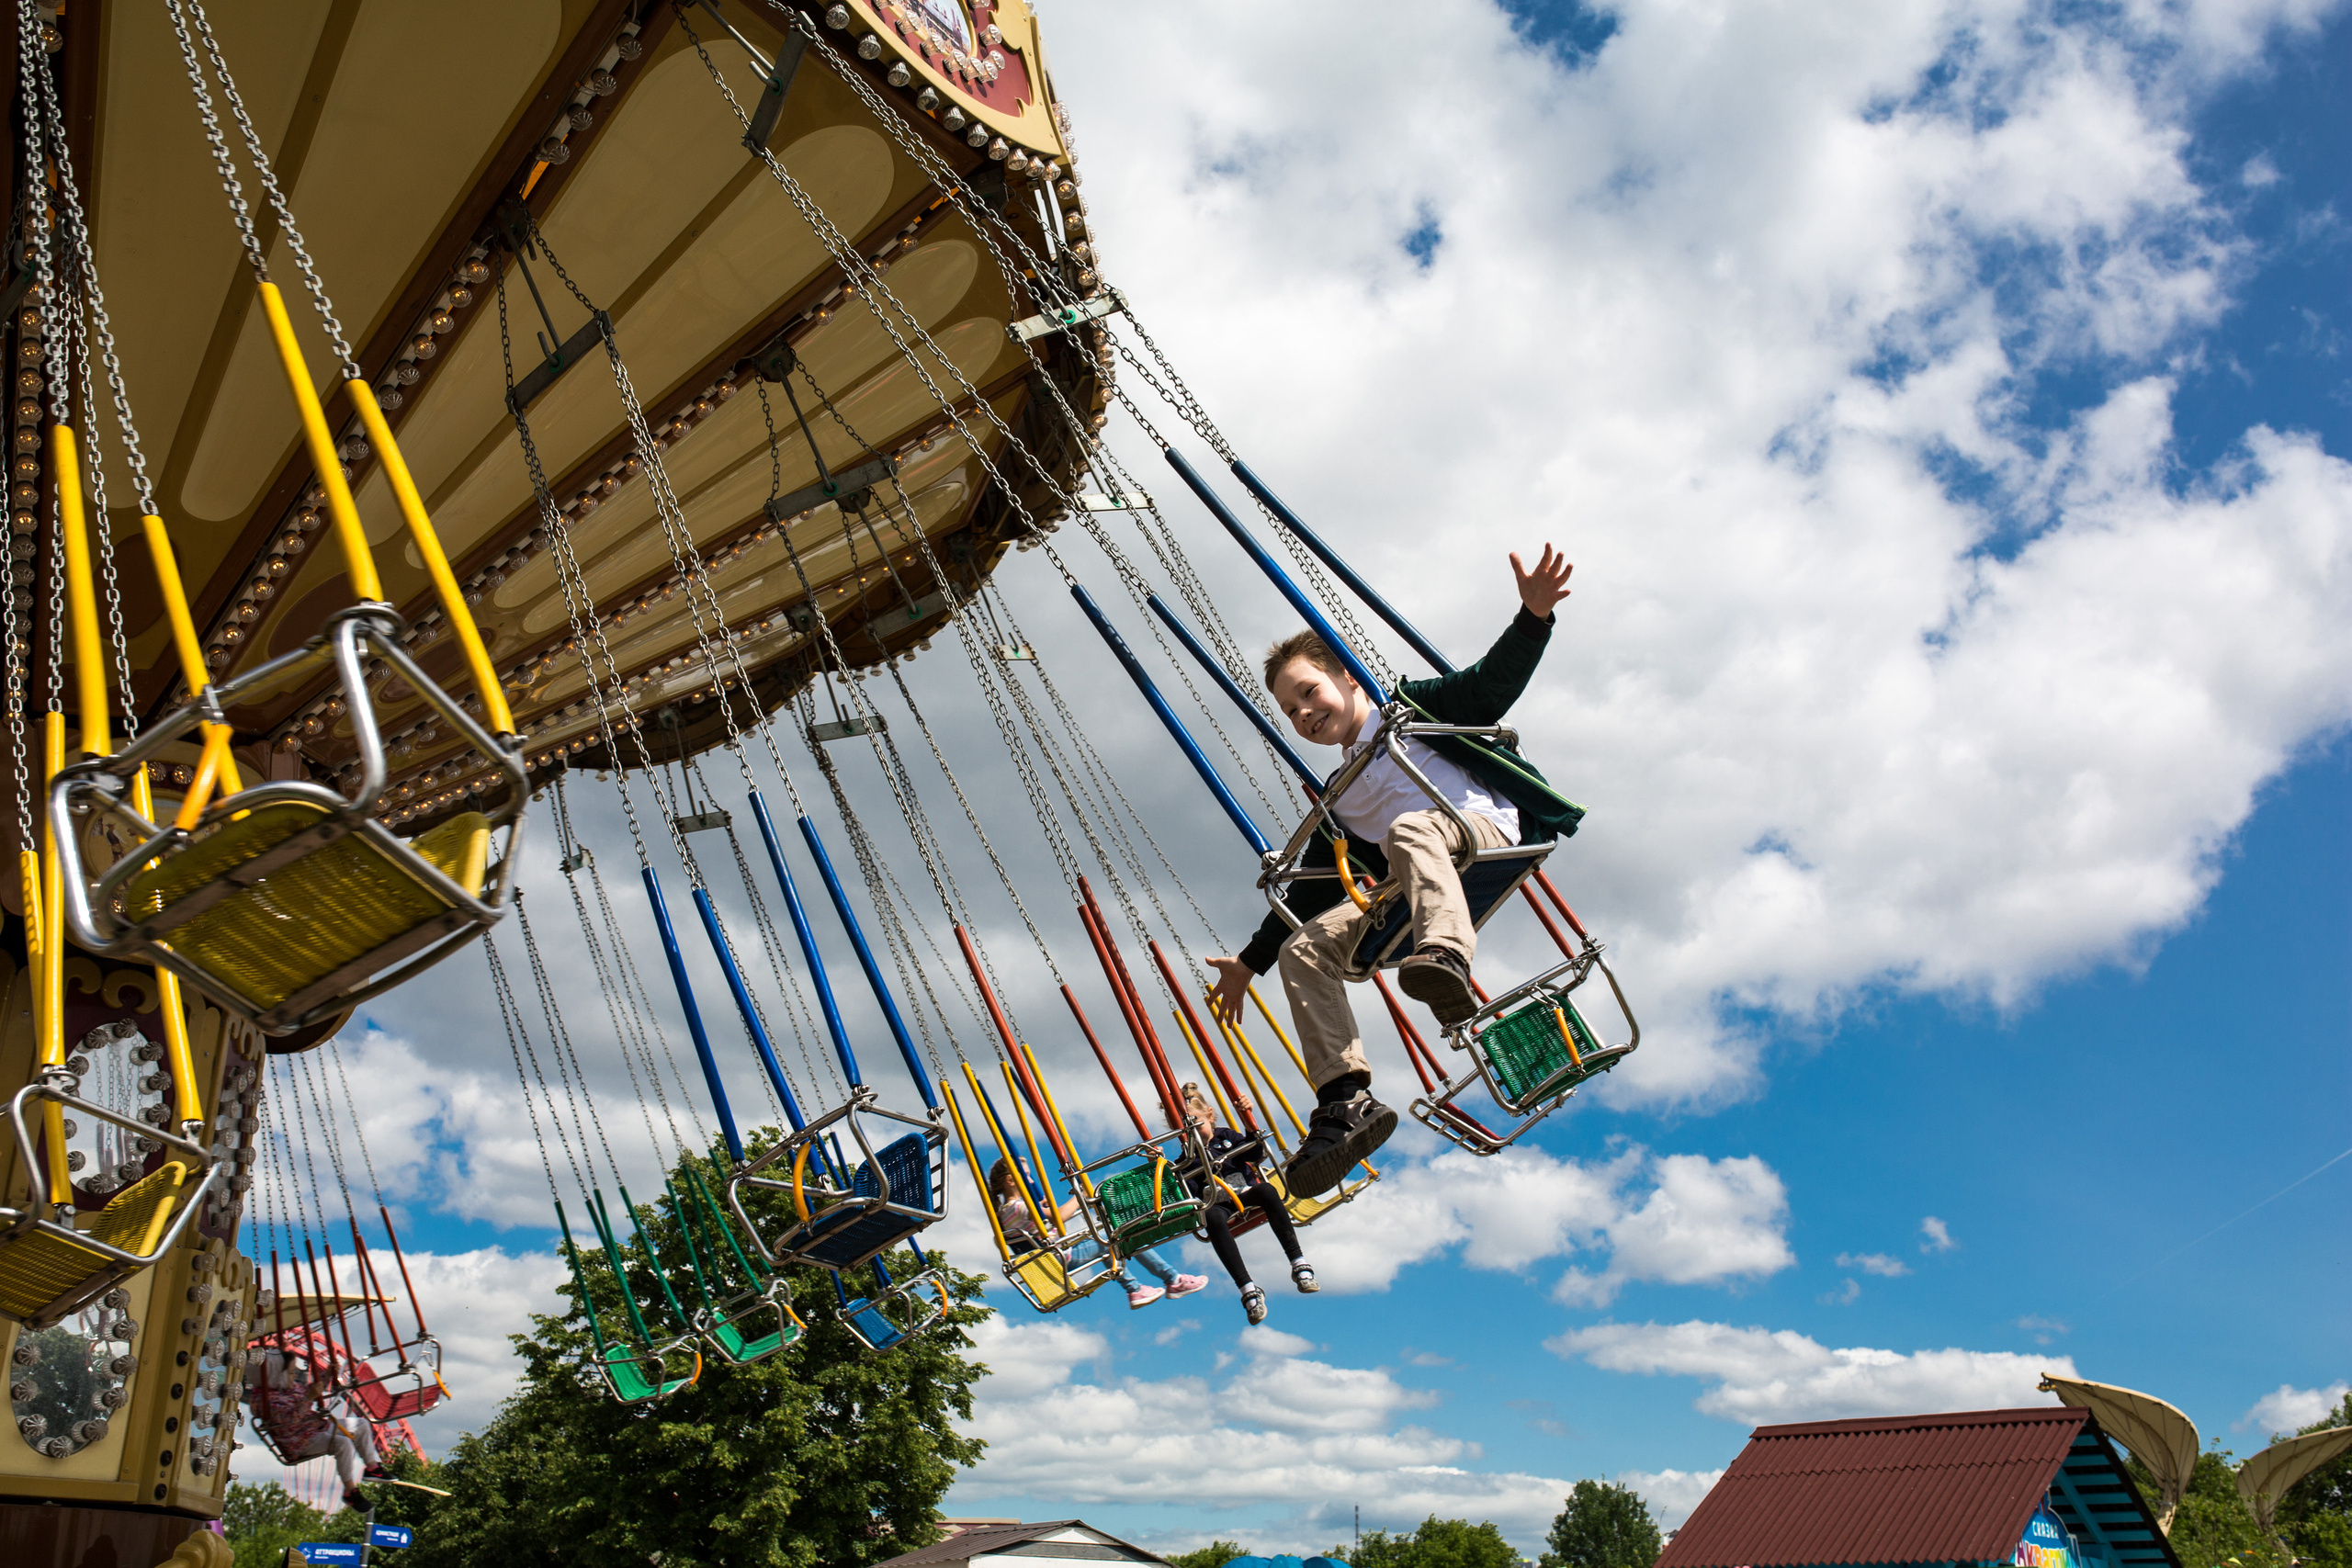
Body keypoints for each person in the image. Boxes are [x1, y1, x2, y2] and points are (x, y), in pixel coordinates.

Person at [1205, 546, 1581, 1199]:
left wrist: (1533, 617)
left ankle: (1446, 957)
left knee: (1410, 829)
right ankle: (1344, 1100)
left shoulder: (1409, 712)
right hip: (1411, 882)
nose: (1303, 713)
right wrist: (1248, 962)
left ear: (1349, 677)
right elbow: (1310, 889)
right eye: (1290, 711)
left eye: (1309, 692)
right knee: (1305, 948)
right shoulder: (1339, 795)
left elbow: (1488, 685)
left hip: (1478, 836)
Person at [988, 1156, 1206, 1309]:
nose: (1031, 1181)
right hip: (1061, 1258)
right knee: (1119, 1237)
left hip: (1053, 1259)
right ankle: (1172, 1280)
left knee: (1109, 1244)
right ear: (1011, 1180)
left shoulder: (1005, 1213)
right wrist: (1080, 1197)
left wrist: (1041, 1209)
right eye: (1027, 1176)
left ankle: (1136, 1289)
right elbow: (1059, 1216)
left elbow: (1037, 1223)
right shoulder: (1020, 1207)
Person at [1175, 1082, 1313, 1325]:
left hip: (1246, 1192)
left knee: (1268, 1191)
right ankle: (1247, 1288)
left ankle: (1298, 1262)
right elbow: (1191, 1193)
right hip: (1219, 1202)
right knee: (1211, 1217)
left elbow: (1254, 1154)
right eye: (1188, 1128)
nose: (1194, 1131)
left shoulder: (1226, 1137)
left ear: (1210, 1115)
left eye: (1198, 1123)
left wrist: (1249, 1124)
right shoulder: (1187, 1158)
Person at [243, 1343, 392, 1508]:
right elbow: (290, 1420)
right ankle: (350, 1491)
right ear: (275, 1377)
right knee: (342, 1444)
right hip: (299, 1442)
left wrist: (326, 1376)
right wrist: (309, 1399)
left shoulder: (289, 1388)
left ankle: (372, 1467)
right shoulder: (269, 1402)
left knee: (361, 1424)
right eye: (291, 1373)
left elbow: (309, 1390)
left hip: (315, 1427)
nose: (294, 1376)